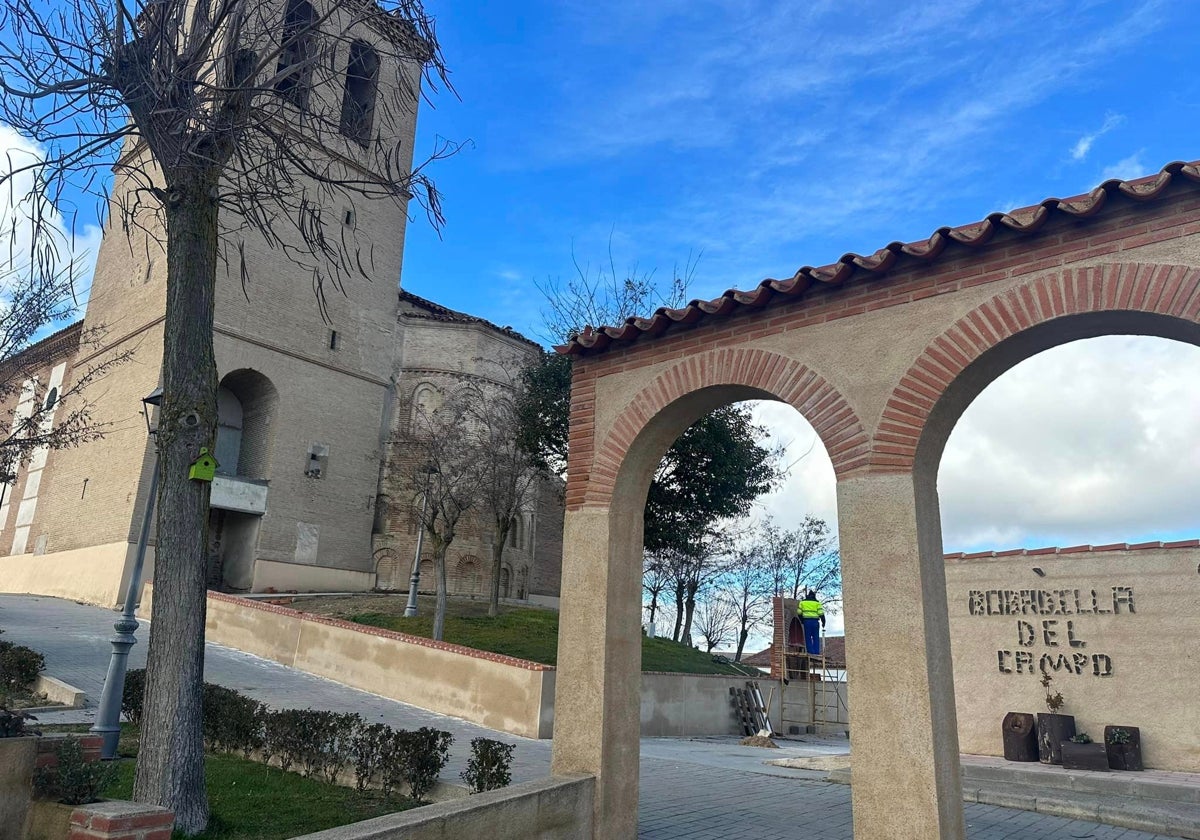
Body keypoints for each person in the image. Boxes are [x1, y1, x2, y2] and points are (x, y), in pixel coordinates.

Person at [797, 590, 825, 656]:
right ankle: (816, 652)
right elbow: (821, 614)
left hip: (807, 622)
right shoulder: (817, 603)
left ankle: (810, 652)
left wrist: (802, 620)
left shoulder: (802, 602)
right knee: (816, 637)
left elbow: (799, 612)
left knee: (808, 637)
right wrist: (823, 622)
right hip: (815, 622)